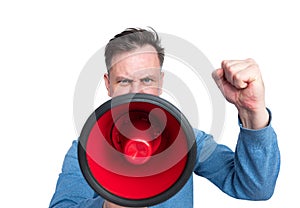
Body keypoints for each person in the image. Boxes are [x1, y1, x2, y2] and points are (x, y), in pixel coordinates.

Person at [49, 27, 280, 208]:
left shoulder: (187, 139)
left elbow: (256, 188)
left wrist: (251, 112)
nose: (135, 93)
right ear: (109, 85)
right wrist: (109, 206)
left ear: (160, 82)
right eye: (124, 81)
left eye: (147, 80)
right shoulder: (87, 149)